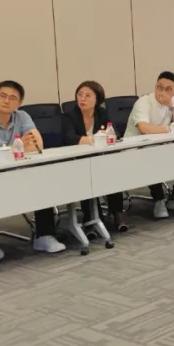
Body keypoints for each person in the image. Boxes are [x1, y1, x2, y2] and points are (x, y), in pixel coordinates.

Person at [0, 80, 65, 259]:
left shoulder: (22, 117)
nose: (6, 101)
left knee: (43, 182)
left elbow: (37, 145)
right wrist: (17, 148)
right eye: (2, 96)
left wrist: (15, 150)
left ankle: (44, 236)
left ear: (19, 103)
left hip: (16, 172)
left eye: (12, 98)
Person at [125, 70, 174, 219]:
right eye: (159, 87)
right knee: (153, 158)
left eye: (168, 89)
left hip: (161, 144)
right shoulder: (144, 102)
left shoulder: (173, 101)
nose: (162, 92)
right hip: (136, 147)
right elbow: (144, 128)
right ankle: (159, 201)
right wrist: (169, 129)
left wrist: (171, 106)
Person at [61, 80, 127, 232]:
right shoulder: (69, 116)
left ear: (97, 99)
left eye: (88, 96)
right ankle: (90, 217)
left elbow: (115, 132)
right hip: (77, 160)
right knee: (86, 176)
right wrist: (95, 138)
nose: (82, 99)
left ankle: (117, 212)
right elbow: (70, 138)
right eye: (80, 95)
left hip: (99, 158)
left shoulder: (102, 113)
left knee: (112, 172)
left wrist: (109, 135)